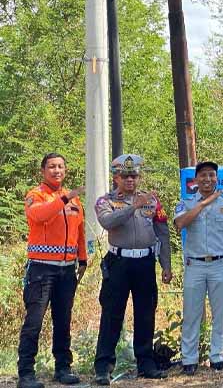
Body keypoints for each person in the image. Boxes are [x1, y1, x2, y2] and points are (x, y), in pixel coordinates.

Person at [92, 154, 172, 385]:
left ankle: (146, 363)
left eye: (134, 176)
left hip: (145, 263)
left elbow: (163, 233)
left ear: (139, 176)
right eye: (125, 176)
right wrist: (132, 207)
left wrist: (166, 265)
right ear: (116, 177)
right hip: (119, 263)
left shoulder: (152, 200)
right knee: (112, 314)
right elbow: (107, 222)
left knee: (146, 313)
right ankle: (103, 367)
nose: (130, 180)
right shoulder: (105, 200)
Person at [17, 153, 87, 388]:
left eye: (60, 167)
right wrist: (65, 197)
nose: (56, 171)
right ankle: (26, 373)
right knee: (34, 321)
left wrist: (83, 259)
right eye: (51, 167)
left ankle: (63, 368)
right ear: (42, 171)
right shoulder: (35, 195)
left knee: (63, 320)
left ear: (65, 170)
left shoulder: (75, 202)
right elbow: (39, 216)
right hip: (41, 269)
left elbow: (80, 232)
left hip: (67, 270)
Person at [175, 161, 223, 375]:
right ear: (195, 180)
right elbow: (180, 224)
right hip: (195, 265)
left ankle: (217, 357)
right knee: (192, 314)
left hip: (221, 264)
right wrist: (204, 204)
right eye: (203, 175)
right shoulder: (186, 202)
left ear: (216, 178)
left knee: (220, 314)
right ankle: (189, 360)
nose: (208, 179)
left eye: (212, 175)